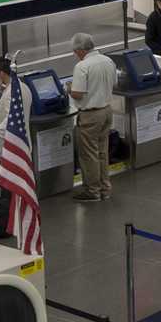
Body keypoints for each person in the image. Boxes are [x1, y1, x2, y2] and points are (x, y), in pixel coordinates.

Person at [67, 33, 116, 202]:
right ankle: (105, 188)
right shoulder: (107, 60)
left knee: (89, 154)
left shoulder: (82, 66)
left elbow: (78, 94)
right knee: (102, 152)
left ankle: (92, 191)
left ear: (80, 50)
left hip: (90, 116)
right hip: (107, 111)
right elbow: (114, 83)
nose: (75, 54)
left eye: (75, 51)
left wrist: (68, 89)